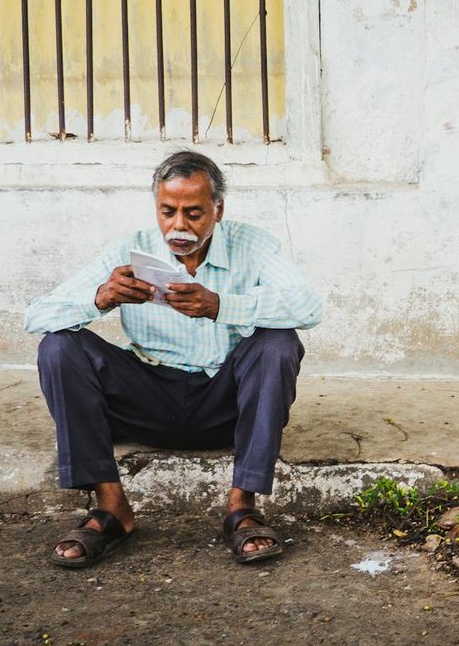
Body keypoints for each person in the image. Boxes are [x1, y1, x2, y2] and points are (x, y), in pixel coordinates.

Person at [24, 150, 323, 568]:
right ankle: (111, 507)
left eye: (194, 213)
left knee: (278, 342)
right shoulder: (130, 250)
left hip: (226, 405)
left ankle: (243, 507)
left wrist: (221, 305)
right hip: (146, 400)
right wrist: (100, 298)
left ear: (218, 210)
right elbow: (36, 316)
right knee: (58, 347)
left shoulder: (252, 246)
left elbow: (309, 307)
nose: (179, 226)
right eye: (168, 212)